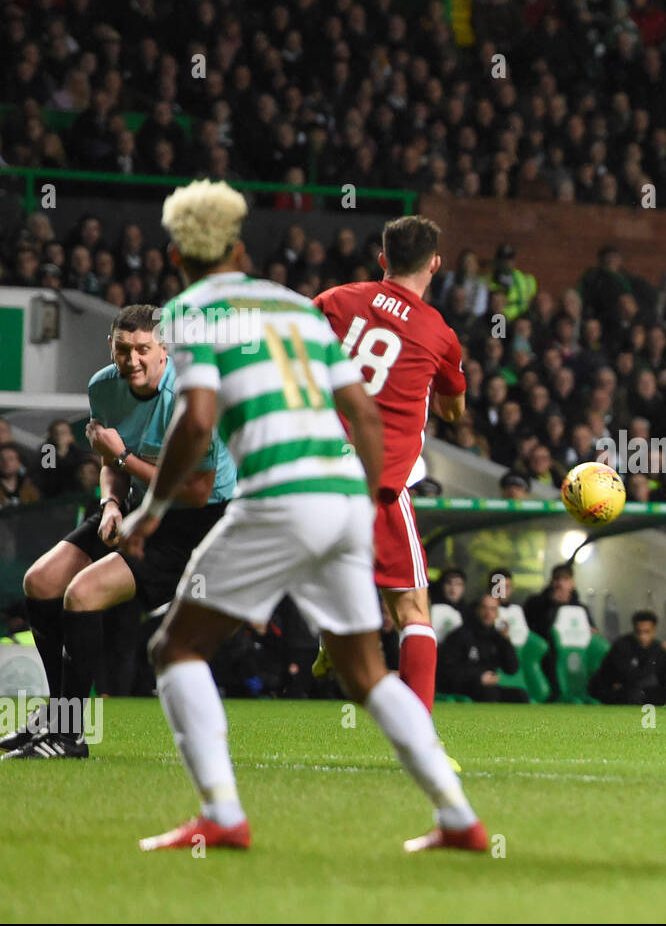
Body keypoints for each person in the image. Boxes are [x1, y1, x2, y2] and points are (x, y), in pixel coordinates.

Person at [116, 178, 484, 852]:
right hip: (350, 495)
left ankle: (222, 814)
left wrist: (152, 507)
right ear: (237, 246)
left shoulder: (194, 312)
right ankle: (459, 820)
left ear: (177, 257)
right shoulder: (289, 305)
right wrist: (361, 496)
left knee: (175, 646)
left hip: (280, 494)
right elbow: (368, 414)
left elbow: (197, 419)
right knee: (367, 671)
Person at [4, 305, 236, 759]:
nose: (132, 360)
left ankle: (70, 733)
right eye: (122, 349)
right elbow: (111, 467)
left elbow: (197, 489)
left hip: (196, 521)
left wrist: (124, 456)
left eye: (143, 350)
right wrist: (111, 502)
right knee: (41, 581)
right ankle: (57, 716)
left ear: (164, 350)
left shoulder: (195, 394)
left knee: (82, 594)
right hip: (136, 505)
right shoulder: (103, 387)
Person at [314, 215, 466, 711]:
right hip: (375, 482)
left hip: (310, 476)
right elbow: (453, 409)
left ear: (383, 259)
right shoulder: (439, 335)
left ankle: (334, 630)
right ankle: (419, 738)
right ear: (436, 264)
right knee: (413, 608)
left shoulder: (336, 301)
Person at [438, 594, 527, 702]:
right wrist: (478, 677)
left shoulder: (497, 636)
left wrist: (505, 640)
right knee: (490, 694)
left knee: (520, 695)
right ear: (477, 610)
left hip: (487, 687)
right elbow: (447, 671)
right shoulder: (461, 635)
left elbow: (511, 669)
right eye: (484, 608)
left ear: (497, 613)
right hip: (464, 685)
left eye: (493, 609)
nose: (488, 613)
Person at [523, 562, 593, 700]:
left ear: (572, 583)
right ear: (551, 582)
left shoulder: (581, 609)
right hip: (547, 657)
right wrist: (553, 604)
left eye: (565, 579)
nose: (560, 584)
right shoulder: (536, 603)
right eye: (557, 579)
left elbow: (592, 630)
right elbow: (533, 628)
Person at [588, 609, 666, 705]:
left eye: (647, 632)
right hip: (609, 690)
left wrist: (665, 660)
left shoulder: (657, 648)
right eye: (639, 632)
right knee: (633, 694)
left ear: (654, 631)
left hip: (638, 691)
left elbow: (664, 682)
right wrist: (664, 658)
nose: (642, 636)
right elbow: (632, 678)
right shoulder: (622, 646)